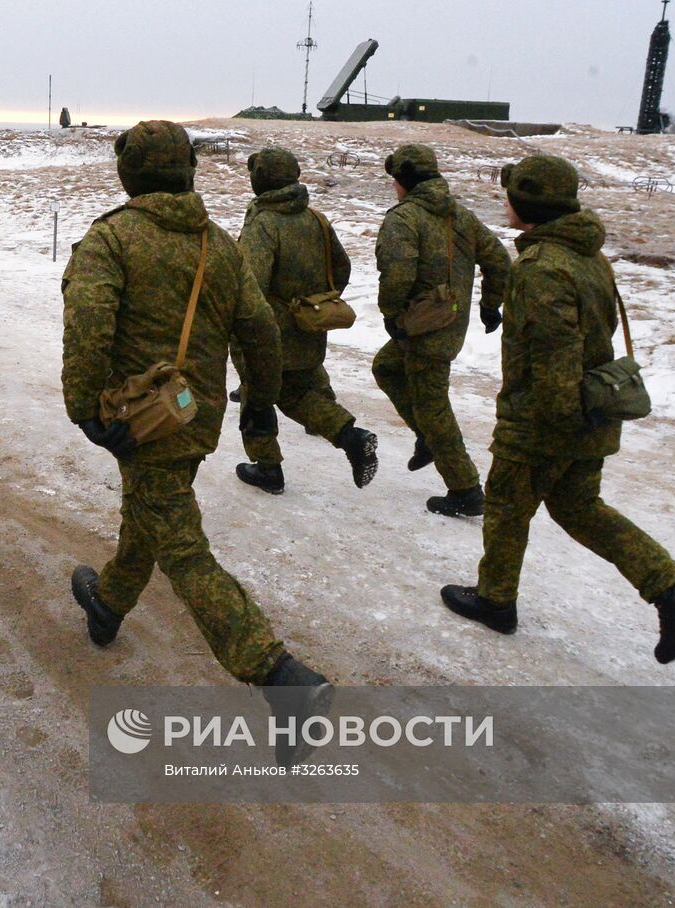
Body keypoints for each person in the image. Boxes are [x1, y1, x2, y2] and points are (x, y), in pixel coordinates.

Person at [61, 120, 331, 765]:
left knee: (181, 547)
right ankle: (109, 602)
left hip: (141, 418)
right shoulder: (218, 243)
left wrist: (82, 408)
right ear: (188, 170)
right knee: (155, 510)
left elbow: (88, 326)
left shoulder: (112, 239)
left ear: (129, 174)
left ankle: (279, 676)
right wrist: (259, 402)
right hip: (194, 415)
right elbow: (260, 330)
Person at [440, 154, 675, 664]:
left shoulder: (542, 267)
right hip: (592, 408)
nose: (503, 203)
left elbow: (554, 353)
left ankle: (495, 600)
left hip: (548, 419)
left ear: (527, 204)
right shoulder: (586, 254)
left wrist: (550, 426)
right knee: (579, 509)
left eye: (510, 196)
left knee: (506, 507)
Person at [230, 146, 378, 494]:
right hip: (309, 328)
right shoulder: (316, 218)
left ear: (260, 180)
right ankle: (351, 436)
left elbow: (249, 283)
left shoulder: (264, 222)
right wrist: (311, 304)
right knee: (297, 394)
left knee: (257, 398)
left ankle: (268, 469)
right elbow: (341, 268)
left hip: (268, 332)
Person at [372, 144, 511, 516]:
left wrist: (390, 313)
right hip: (447, 322)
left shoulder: (405, 219)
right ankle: (426, 437)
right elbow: (499, 259)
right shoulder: (459, 216)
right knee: (386, 368)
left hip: (420, 327)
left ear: (401, 181)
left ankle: (465, 488)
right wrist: (489, 305)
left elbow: (398, 271)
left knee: (434, 409)